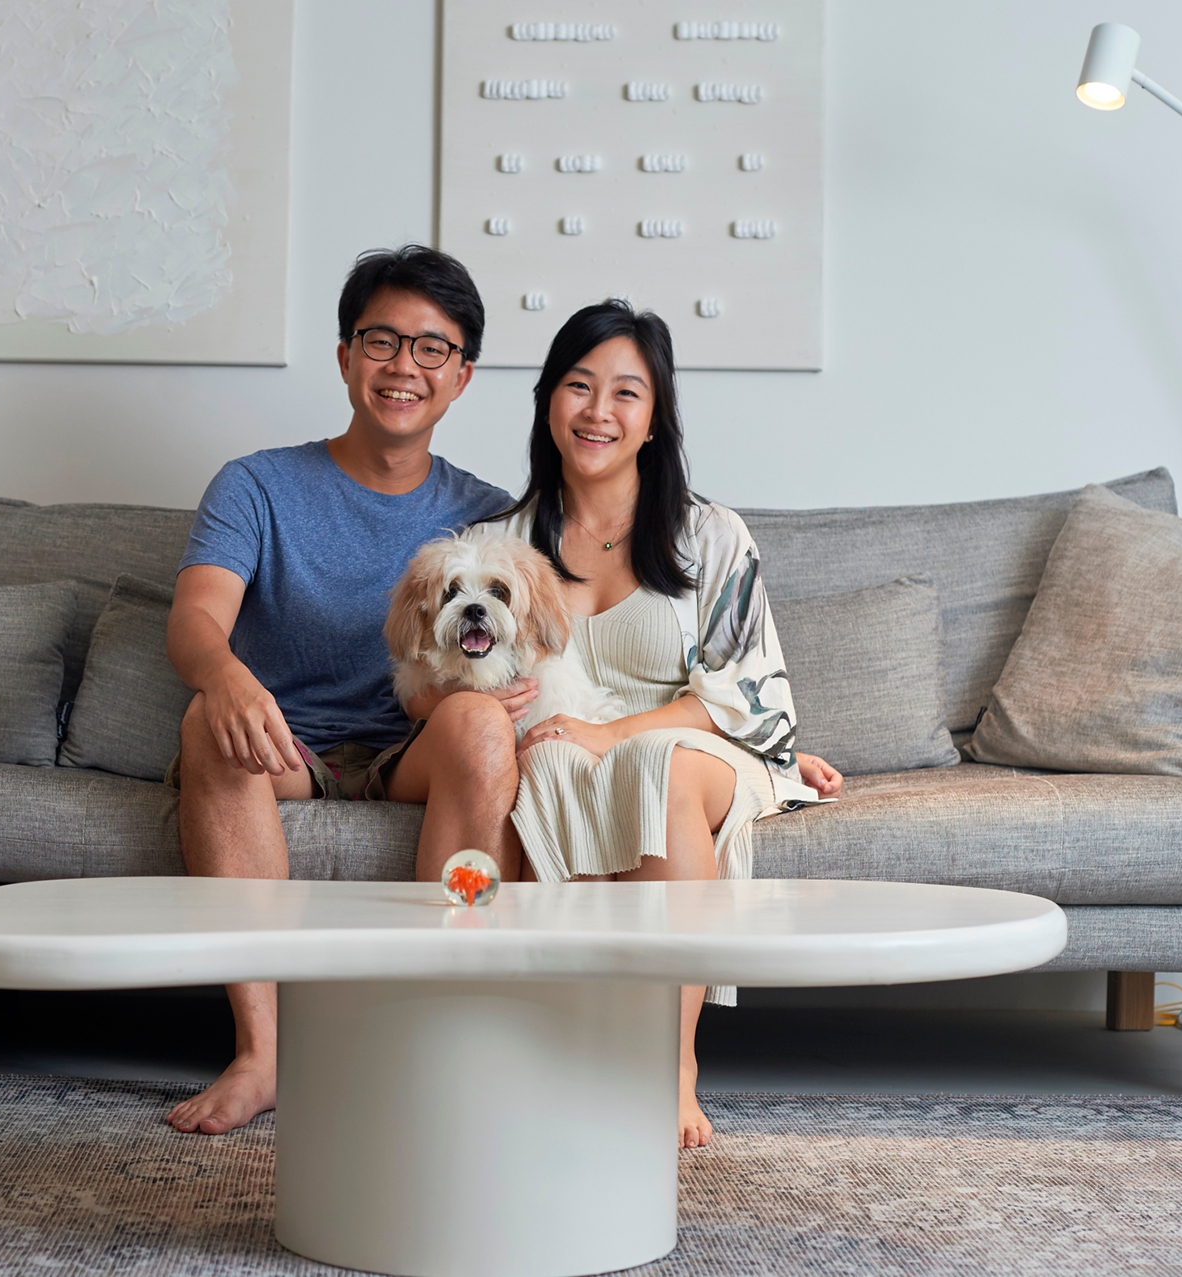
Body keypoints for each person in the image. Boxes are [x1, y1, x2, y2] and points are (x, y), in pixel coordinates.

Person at [163, 246, 527, 1135]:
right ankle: (264, 1054)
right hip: (286, 748)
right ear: (344, 356)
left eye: (432, 348)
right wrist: (227, 675)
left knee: (483, 727)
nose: (404, 365)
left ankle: (447, 1026)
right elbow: (194, 620)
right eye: (382, 340)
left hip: (414, 747)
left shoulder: (490, 515)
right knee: (207, 719)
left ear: (462, 377)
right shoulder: (257, 485)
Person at [492, 299, 844, 1149]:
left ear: (654, 418)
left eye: (626, 392)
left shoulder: (709, 534)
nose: (598, 411)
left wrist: (611, 734)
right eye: (579, 386)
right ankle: (573, 1042)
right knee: (549, 765)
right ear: (548, 400)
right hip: (572, 746)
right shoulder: (505, 541)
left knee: (655, 762)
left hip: (701, 747)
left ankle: (671, 1059)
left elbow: (747, 687)